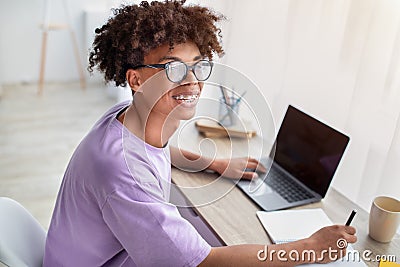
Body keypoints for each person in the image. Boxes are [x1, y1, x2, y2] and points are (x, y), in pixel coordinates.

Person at [43, 1, 357, 266]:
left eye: (197, 65)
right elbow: (201, 261)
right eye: (173, 69)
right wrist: (309, 248)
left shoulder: (127, 121)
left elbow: (154, 152)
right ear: (136, 80)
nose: (192, 81)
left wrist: (213, 162)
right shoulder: (122, 172)